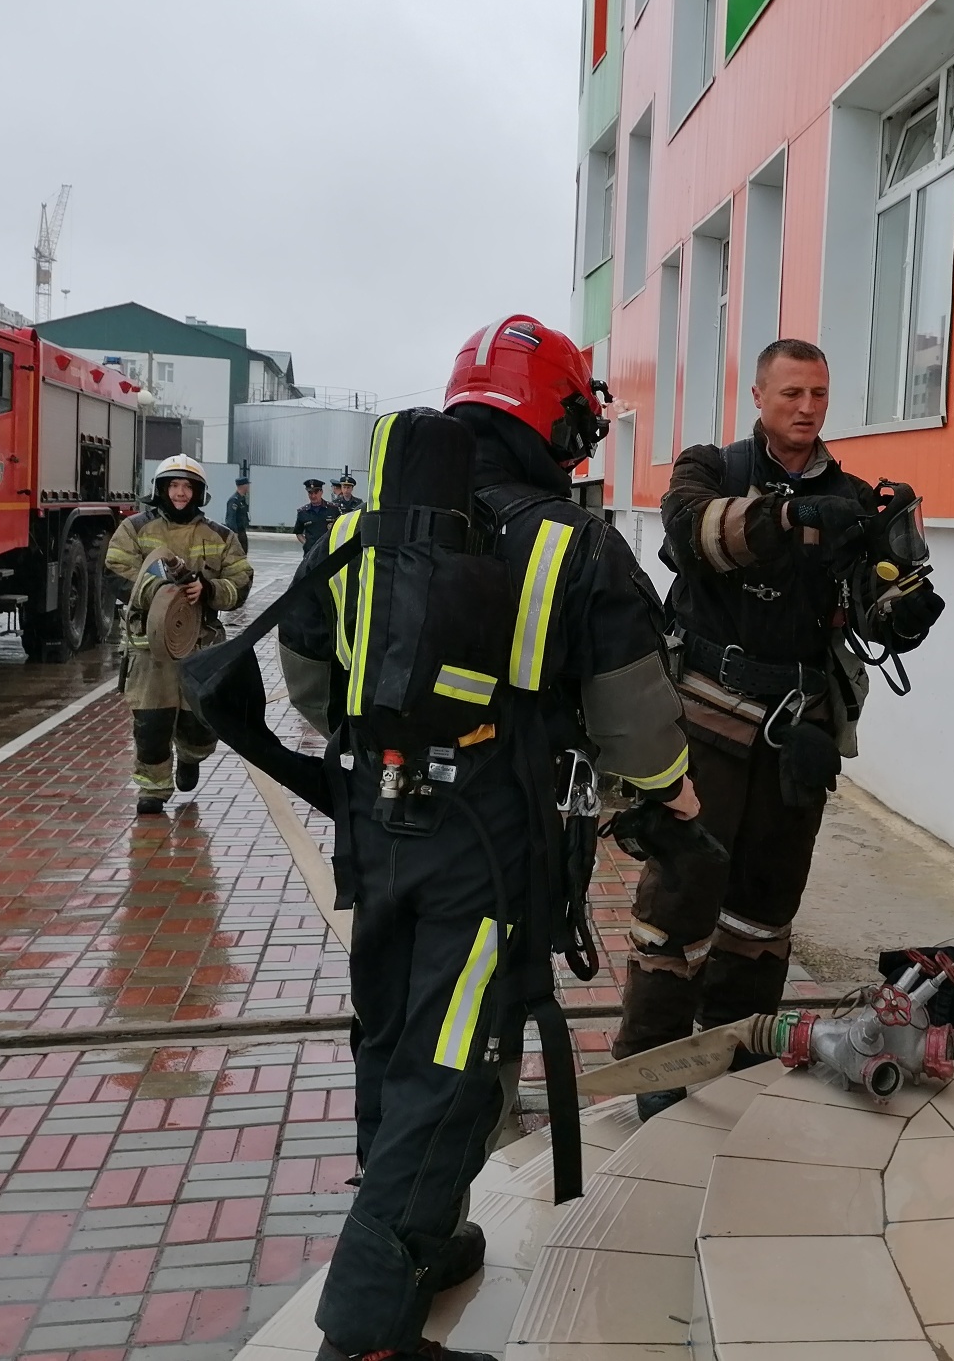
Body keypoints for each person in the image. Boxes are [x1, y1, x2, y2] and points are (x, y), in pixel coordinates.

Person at [277, 316, 695, 1361]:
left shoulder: (358, 529)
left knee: (390, 1034)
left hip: (376, 828)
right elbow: (638, 728)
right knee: (457, 1063)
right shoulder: (572, 544)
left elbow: (312, 685)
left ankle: (426, 1241)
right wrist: (675, 801)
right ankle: (364, 1330)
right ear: (552, 416)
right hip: (486, 846)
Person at [610, 338, 944, 1116]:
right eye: (792, 392)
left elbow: (873, 604)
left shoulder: (856, 493)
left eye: (819, 394)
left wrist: (903, 608)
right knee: (681, 898)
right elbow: (692, 533)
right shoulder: (711, 468)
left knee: (765, 910)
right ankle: (654, 1068)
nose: (807, 407)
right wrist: (790, 516)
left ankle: (737, 1053)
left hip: (800, 732)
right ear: (758, 396)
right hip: (704, 720)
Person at [104, 455, 254, 816]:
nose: (181, 493)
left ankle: (191, 756)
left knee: (199, 724)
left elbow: (241, 581)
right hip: (148, 649)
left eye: (188, 486)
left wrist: (208, 588)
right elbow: (114, 571)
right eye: (173, 485)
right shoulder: (135, 529)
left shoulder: (220, 536)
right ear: (161, 489)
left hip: (201, 647)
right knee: (151, 725)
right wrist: (155, 590)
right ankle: (153, 789)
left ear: (199, 492)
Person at [294, 477, 334, 549]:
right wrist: (307, 544)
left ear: (321, 492)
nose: (313, 496)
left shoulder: (333, 509)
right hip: (310, 554)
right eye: (310, 493)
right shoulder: (302, 512)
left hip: (328, 551)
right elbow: (298, 533)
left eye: (316, 492)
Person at [224, 476, 251, 557]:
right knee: (237, 554)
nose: (249, 487)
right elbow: (230, 518)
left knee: (243, 553)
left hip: (242, 531)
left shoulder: (241, 500)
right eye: (247, 485)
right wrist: (234, 533)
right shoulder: (234, 500)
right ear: (244, 486)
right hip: (237, 532)